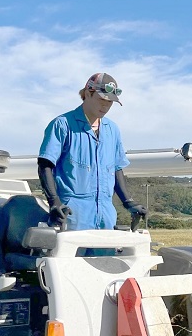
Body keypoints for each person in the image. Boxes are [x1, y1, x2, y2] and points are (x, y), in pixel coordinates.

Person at [37, 72, 147, 230]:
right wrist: (54, 202)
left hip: (106, 215)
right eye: (102, 100)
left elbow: (116, 168)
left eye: (110, 102)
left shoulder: (112, 130)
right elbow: (45, 165)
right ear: (88, 93)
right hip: (72, 214)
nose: (106, 106)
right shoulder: (63, 125)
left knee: (106, 255)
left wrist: (129, 202)